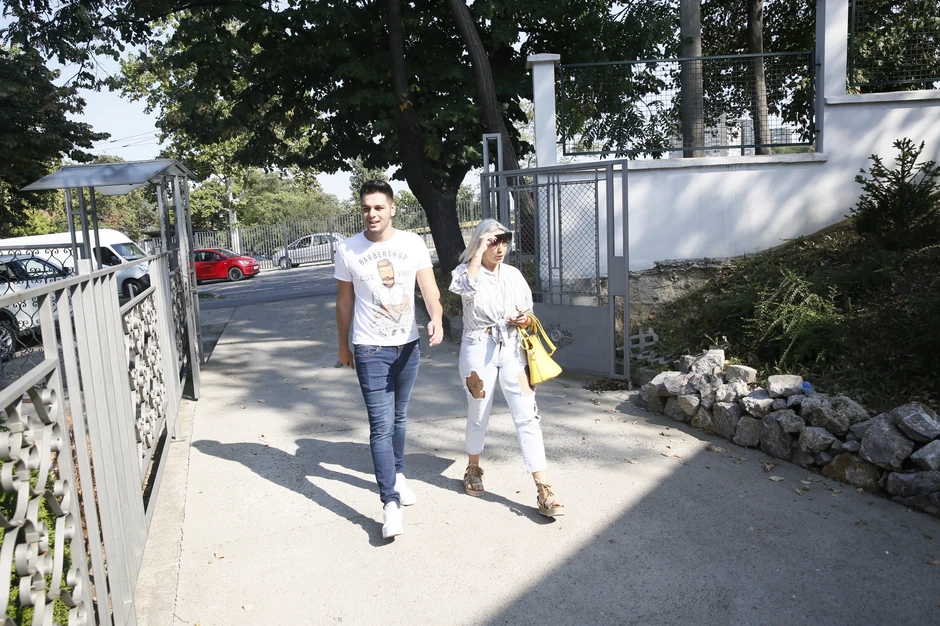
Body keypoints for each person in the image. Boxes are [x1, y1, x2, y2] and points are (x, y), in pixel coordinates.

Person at [335, 179, 444, 539]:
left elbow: (428, 287)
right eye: (366, 208)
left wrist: (437, 317)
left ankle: (397, 474)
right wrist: (343, 345)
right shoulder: (348, 250)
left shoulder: (412, 243)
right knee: (381, 426)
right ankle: (389, 504)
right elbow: (345, 302)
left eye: (379, 207)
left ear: (392, 209)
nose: (372, 214)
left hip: (408, 346)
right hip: (370, 349)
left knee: (399, 417)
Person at [448, 219, 565, 518]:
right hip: (479, 348)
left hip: (513, 348)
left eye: (504, 240)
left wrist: (524, 319)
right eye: (493, 241)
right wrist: (478, 252)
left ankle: (543, 488)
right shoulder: (465, 272)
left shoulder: (513, 274)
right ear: (480, 243)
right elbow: (464, 288)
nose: (500, 247)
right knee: (479, 412)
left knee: (528, 415)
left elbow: (529, 311)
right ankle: (473, 467)